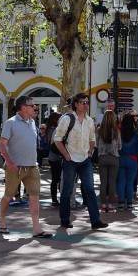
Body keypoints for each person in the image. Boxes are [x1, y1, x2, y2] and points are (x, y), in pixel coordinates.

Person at [0, 95, 52, 238]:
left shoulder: (32, 122)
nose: (34, 107)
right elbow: (2, 145)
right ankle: (2, 221)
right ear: (23, 107)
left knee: (34, 197)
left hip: (32, 167)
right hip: (15, 168)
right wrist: (9, 162)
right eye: (31, 105)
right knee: (8, 196)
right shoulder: (11, 123)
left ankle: (36, 229)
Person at [54, 92, 108, 230]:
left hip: (85, 160)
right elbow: (57, 139)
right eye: (83, 102)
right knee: (67, 190)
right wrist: (66, 155)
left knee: (89, 189)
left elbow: (92, 138)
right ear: (76, 104)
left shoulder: (90, 121)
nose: (86, 105)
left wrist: (90, 152)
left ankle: (95, 221)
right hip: (70, 159)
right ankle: (65, 219)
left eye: (87, 102)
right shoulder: (67, 119)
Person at [97, 110, 121, 213]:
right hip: (114, 158)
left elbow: (97, 144)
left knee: (103, 183)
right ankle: (110, 205)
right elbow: (120, 146)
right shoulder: (116, 131)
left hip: (102, 158)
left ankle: (103, 205)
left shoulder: (99, 130)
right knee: (112, 183)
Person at [117, 114, 138, 210]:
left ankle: (121, 203)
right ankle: (130, 203)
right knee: (130, 182)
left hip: (121, 159)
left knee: (121, 181)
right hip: (133, 160)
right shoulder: (135, 135)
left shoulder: (119, 134)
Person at [45, 112, 62, 206]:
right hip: (55, 157)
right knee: (56, 178)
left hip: (53, 156)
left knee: (56, 178)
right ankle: (54, 198)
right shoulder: (53, 130)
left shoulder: (49, 129)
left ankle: (55, 198)